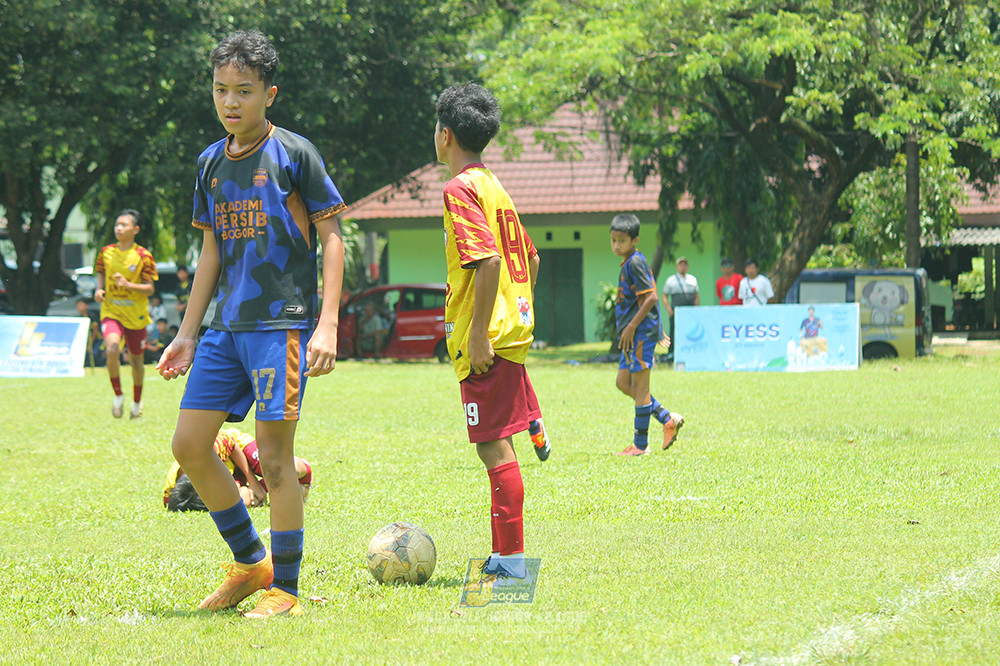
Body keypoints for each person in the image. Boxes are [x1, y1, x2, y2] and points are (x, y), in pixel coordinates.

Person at [156, 29, 346, 619]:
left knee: (275, 456)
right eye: (220, 89)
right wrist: (188, 332)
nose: (230, 101)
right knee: (189, 445)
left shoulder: (295, 153)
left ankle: (284, 588)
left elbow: (332, 237)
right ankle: (250, 562)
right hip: (224, 329)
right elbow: (210, 252)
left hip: (281, 327)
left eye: (243, 90)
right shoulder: (210, 164)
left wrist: (328, 323)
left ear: (269, 93)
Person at [434, 82, 551, 580]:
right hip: (511, 329)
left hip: (485, 339)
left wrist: (481, 331)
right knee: (497, 436)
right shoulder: (494, 186)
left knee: (491, 445)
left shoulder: (460, 188)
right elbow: (532, 257)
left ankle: (512, 562)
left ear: (444, 136)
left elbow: (485, 261)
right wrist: (514, 311)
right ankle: (534, 417)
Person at [609, 214, 685, 457]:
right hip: (632, 335)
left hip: (638, 334)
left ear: (634, 240)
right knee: (623, 383)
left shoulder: (635, 262)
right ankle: (666, 417)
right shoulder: (630, 261)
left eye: (622, 240)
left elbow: (652, 296)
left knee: (641, 389)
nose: (617, 245)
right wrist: (656, 325)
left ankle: (640, 446)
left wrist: (633, 327)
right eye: (613, 240)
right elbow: (647, 294)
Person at [94, 209, 158, 418]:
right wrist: (99, 289)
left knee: (136, 361)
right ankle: (118, 395)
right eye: (117, 224)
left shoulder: (143, 256)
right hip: (111, 310)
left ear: (135, 229)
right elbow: (101, 271)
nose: (118, 228)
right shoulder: (106, 252)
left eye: (124, 225)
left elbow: (150, 289)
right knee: (112, 348)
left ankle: (137, 402)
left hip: (136, 316)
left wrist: (128, 285)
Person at [163, 427, 313, 510]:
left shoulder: (206, 453)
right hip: (231, 473)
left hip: (239, 450)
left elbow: (231, 442)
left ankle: (304, 470)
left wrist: (253, 483)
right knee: (244, 501)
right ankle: (291, 487)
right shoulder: (175, 497)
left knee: (275, 468)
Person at [661, 256, 699, 358]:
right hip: (676, 312)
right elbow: (664, 296)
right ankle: (671, 353)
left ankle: (688, 351)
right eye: (680, 265)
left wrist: (696, 310)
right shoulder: (671, 280)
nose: (683, 267)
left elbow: (696, 296)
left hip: (689, 311)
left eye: (685, 265)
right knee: (674, 332)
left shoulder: (692, 279)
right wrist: (669, 310)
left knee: (689, 331)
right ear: (677, 267)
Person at [75, 297, 104, 367]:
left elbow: (95, 330)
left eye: (81, 305)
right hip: (87, 340)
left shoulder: (92, 316)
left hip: (98, 339)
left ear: (86, 306)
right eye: (78, 306)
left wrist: (90, 343)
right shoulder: (79, 317)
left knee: (94, 353)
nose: (79, 307)